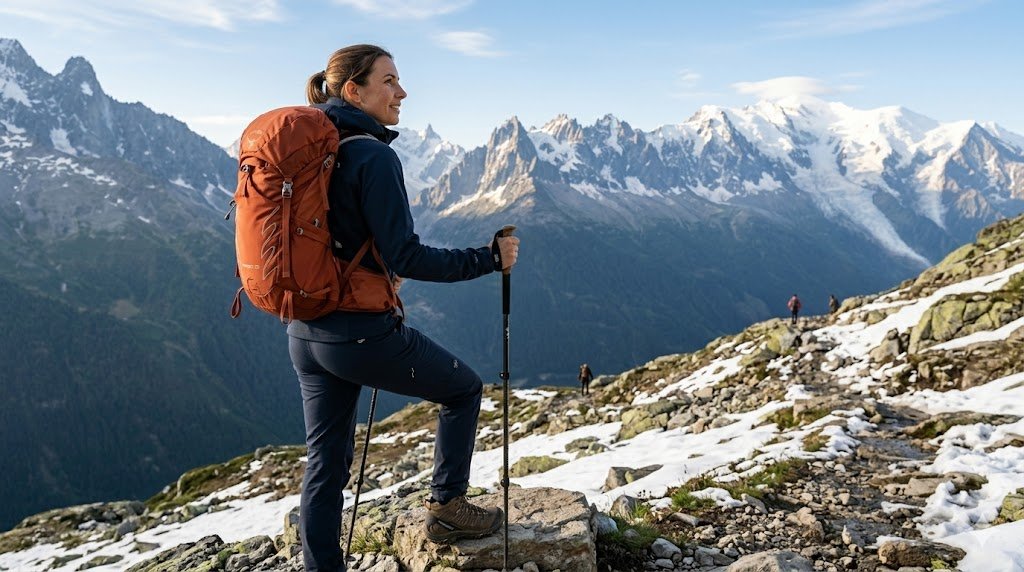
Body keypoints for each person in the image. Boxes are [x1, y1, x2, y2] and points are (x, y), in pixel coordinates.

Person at [289, 44, 520, 572]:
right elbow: (407, 254)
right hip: (358, 336)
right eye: (390, 80)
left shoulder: (314, 146)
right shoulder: (372, 153)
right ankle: (446, 509)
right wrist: (487, 258)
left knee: (325, 465)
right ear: (354, 90)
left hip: (305, 332)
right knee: (462, 389)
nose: (403, 91)